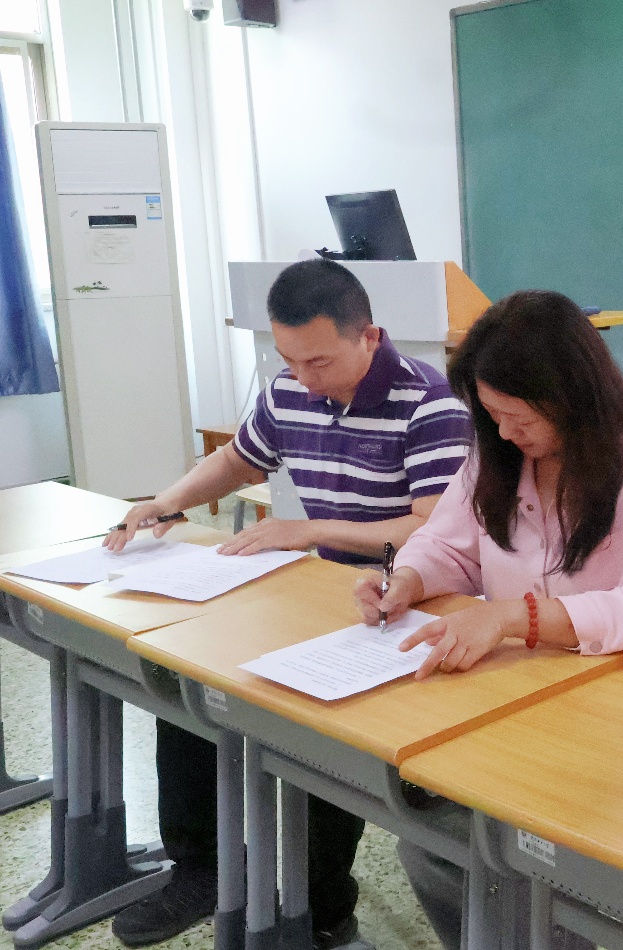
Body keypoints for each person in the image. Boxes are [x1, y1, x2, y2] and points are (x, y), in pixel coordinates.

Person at [106, 258, 471, 947]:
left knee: (318, 736)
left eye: (318, 361)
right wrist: (166, 501)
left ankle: (322, 912)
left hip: (408, 598)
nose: (302, 378)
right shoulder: (290, 387)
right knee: (191, 673)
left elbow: (432, 530)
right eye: (289, 360)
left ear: (369, 336)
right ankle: (202, 868)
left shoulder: (431, 403)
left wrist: (306, 530)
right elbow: (240, 460)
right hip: (320, 589)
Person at [353, 289, 623, 949]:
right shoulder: (499, 452)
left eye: (518, 417)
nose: (504, 434)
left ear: (571, 395)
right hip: (526, 701)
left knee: (548, 858)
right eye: (491, 416)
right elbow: (448, 545)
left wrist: (515, 618)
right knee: (430, 842)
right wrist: (405, 580)